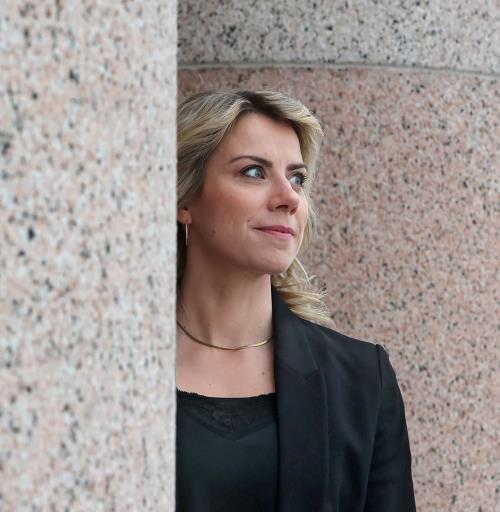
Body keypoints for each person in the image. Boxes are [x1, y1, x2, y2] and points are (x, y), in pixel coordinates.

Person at [175, 90, 416, 512]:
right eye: (253, 172)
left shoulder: (361, 380)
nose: (290, 197)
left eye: (298, 179)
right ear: (184, 199)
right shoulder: (114, 366)